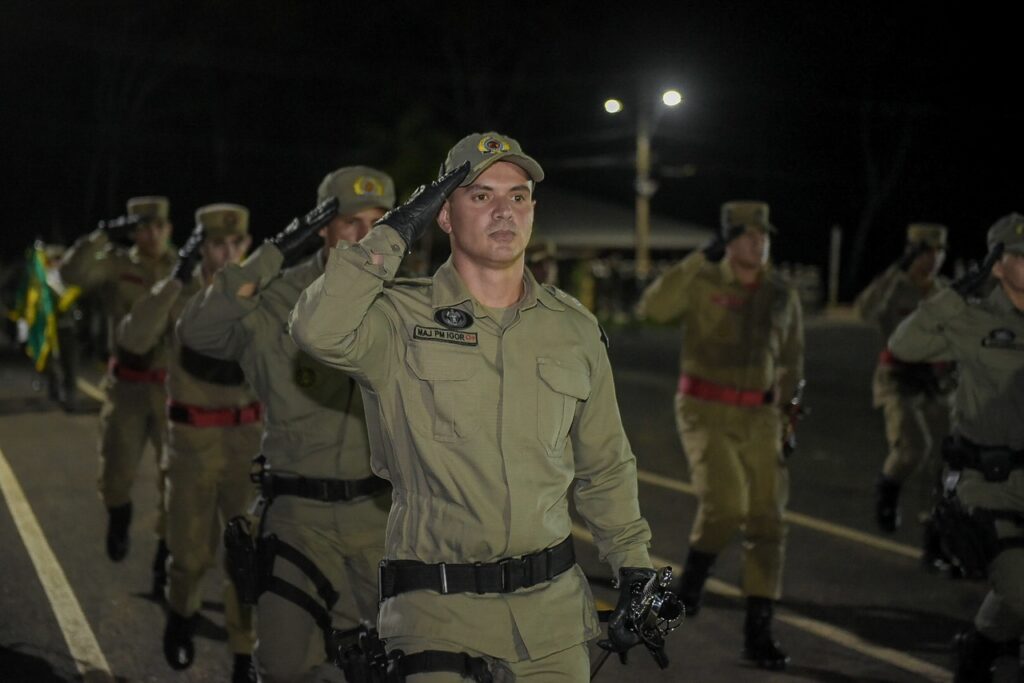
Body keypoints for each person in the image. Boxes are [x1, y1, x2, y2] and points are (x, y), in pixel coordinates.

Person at [289, 132, 653, 681]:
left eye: (518, 196)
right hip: (437, 613)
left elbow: (605, 465)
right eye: (481, 195)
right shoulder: (397, 319)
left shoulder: (574, 328)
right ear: (443, 215)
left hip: (551, 619)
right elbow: (316, 329)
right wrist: (395, 229)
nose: (504, 211)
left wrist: (634, 568)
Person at [177, 166, 396, 682]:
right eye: (350, 222)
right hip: (299, 519)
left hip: (383, 520)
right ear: (322, 227)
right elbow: (199, 331)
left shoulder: (410, 302)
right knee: (282, 668)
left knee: (400, 664)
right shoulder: (276, 298)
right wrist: (276, 250)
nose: (365, 236)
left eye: (379, 223)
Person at [636, 200, 804, 670]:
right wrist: (696, 259)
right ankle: (693, 581)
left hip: (762, 416)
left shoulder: (780, 292)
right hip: (705, 409)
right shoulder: (702, 279)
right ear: (728, 240)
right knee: (726, 504)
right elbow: (653, 309)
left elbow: (792, 358)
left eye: (764, 235)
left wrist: (789, 413)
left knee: (768, 519)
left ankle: (758, 632)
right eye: (749, 235)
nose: (759, 242)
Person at [118, 203, 260, 681]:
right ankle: (181, 613)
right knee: (189, 552)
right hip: (192, 442)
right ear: (202, 247)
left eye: (236, 243)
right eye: (217, 244)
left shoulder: (262, 292)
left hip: (247, 442)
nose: (228, 254)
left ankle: (244, 652)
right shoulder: (179, 294)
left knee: (247, 556)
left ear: (247, 244)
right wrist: (175, 281)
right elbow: (134, 338)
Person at [889, 213, 1024, 683]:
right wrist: (953, 295)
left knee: (1016, 596)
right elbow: (904, 344)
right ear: (997, 265)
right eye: (1021, 256)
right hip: (990, 485)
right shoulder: (974, 318)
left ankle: (977, 650)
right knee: (1020, 589)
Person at [59, 196, 175, 594]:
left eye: (159, 226)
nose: (153, 234)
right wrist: (101, 235)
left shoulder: (185, 265)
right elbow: (71, 274)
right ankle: (119, 514)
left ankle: (165, 559)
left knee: (175, 480)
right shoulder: (116, 264)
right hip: (127, 387)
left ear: (169, 229)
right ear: (133, 231)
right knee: (115, 475)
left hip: (173, 390)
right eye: (143, 227)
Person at [854, 223, 956, 563]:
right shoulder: (894, 287)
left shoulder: (944, 292)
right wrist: (893, 273)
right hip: (897, 378)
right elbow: (864, 311)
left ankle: (936, 537)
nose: (934, 259)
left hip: (936, 382)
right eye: (926, 252)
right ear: (912, 253)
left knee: (948, 461)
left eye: (939, 252)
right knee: (914, 448)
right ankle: (889, 487)